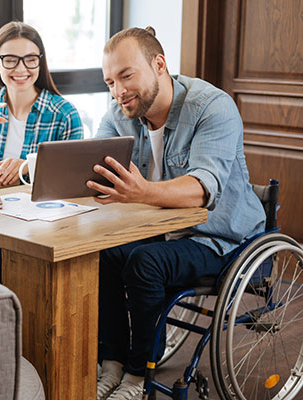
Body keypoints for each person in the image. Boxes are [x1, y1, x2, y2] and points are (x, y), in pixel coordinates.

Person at [87, 27, 266, 400]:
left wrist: (142, 191)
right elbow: (93, 168)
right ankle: (113, 364)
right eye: (109, 82)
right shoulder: (120, 114)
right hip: (162, 231)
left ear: (159, 64)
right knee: (104, 255)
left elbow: (202, 188)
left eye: (126, 75)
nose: (118, 91)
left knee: (144, 263)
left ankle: (138, 376)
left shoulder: (212, 107)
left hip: (222, 237)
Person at [0, 21, 83, 282]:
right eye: (10, 60)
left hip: (38, 214)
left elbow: (76, 183)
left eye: (30, 59)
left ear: (40, 63)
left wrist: (30, 166)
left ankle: (5, 317)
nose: (21, 69)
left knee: (5, 243)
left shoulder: (64, 113)